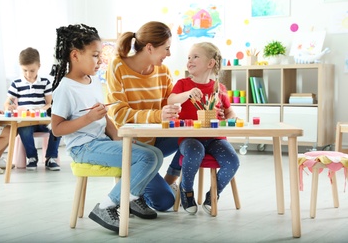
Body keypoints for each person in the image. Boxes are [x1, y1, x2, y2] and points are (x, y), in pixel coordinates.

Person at [50, 24, 164, 233]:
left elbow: (104, 119)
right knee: (147, 158)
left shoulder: (93, 82)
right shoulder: (65, 88)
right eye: (95, 55)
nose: (100, 60)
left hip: (101, 143)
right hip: (83, 148)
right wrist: (88, 118)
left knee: (155, 153)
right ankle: (106, 206)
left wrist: (119, 138)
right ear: (75, 55)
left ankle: (131, 197)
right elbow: (56, 129)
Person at [105, 21, 182, 211]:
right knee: (164, 202)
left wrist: (176, 109)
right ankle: (135, 175)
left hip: (156, 141)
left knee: (191, 137)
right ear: (149, 48)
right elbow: (120, 114)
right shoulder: (118, 67)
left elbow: (167, 105)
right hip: (131, 146)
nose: (169, 54)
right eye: (166, 48)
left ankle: (168, 179)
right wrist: (158, 115)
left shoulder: (163, 72)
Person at [167, 42, 240, 214]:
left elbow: (229, 111)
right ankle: (186, 190)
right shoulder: (183, 84)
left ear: (210, 63)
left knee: (233, 161)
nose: (190, 60)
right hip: (190, 139)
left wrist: (233, 119)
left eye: (195, 57)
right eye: (189, 57)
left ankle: (213, 194)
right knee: (195, 150)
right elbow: (171, 100)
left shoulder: (219, 88)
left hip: (216, 138)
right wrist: (188, 94)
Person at [4, 47, 61, 171]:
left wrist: (41, 110)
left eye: (32, 70)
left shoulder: (45, 82)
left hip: (41, 119)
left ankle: (51, 157)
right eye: (25, 70)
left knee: (57, 127)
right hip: (26, 120)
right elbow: (7, 103)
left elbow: (49, 103)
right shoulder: (16, 83)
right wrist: (10, 106)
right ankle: (32, 157)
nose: (28, 74)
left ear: (39, 66)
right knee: (24, 129)